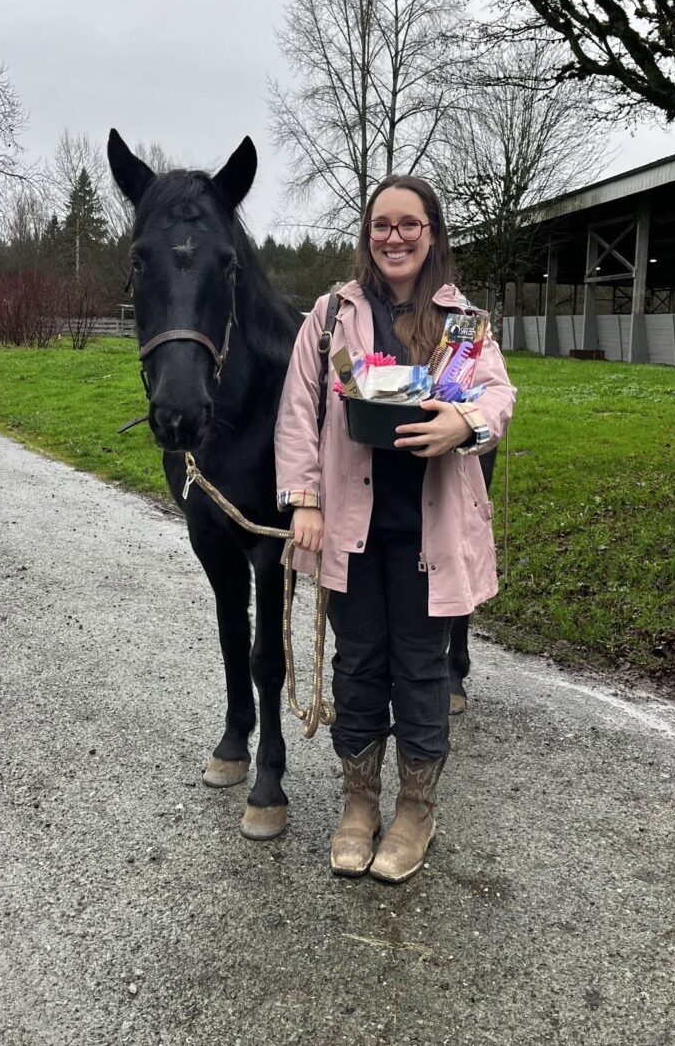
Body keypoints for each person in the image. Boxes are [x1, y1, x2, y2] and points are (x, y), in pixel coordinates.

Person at [274, 176, 516, 883]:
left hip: (426, 532)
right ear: (367, 235)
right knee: (356, 666)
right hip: (351, 531)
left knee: (420, 668)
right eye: (382, 224)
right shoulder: (331, 316)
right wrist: (305, 503)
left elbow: (498, 394)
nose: (395, 237)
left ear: (431, 233)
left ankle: (415, 808)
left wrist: (463, 422)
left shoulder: (463, 323)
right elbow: (298, 412)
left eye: (410, 224)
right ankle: (358, 802)